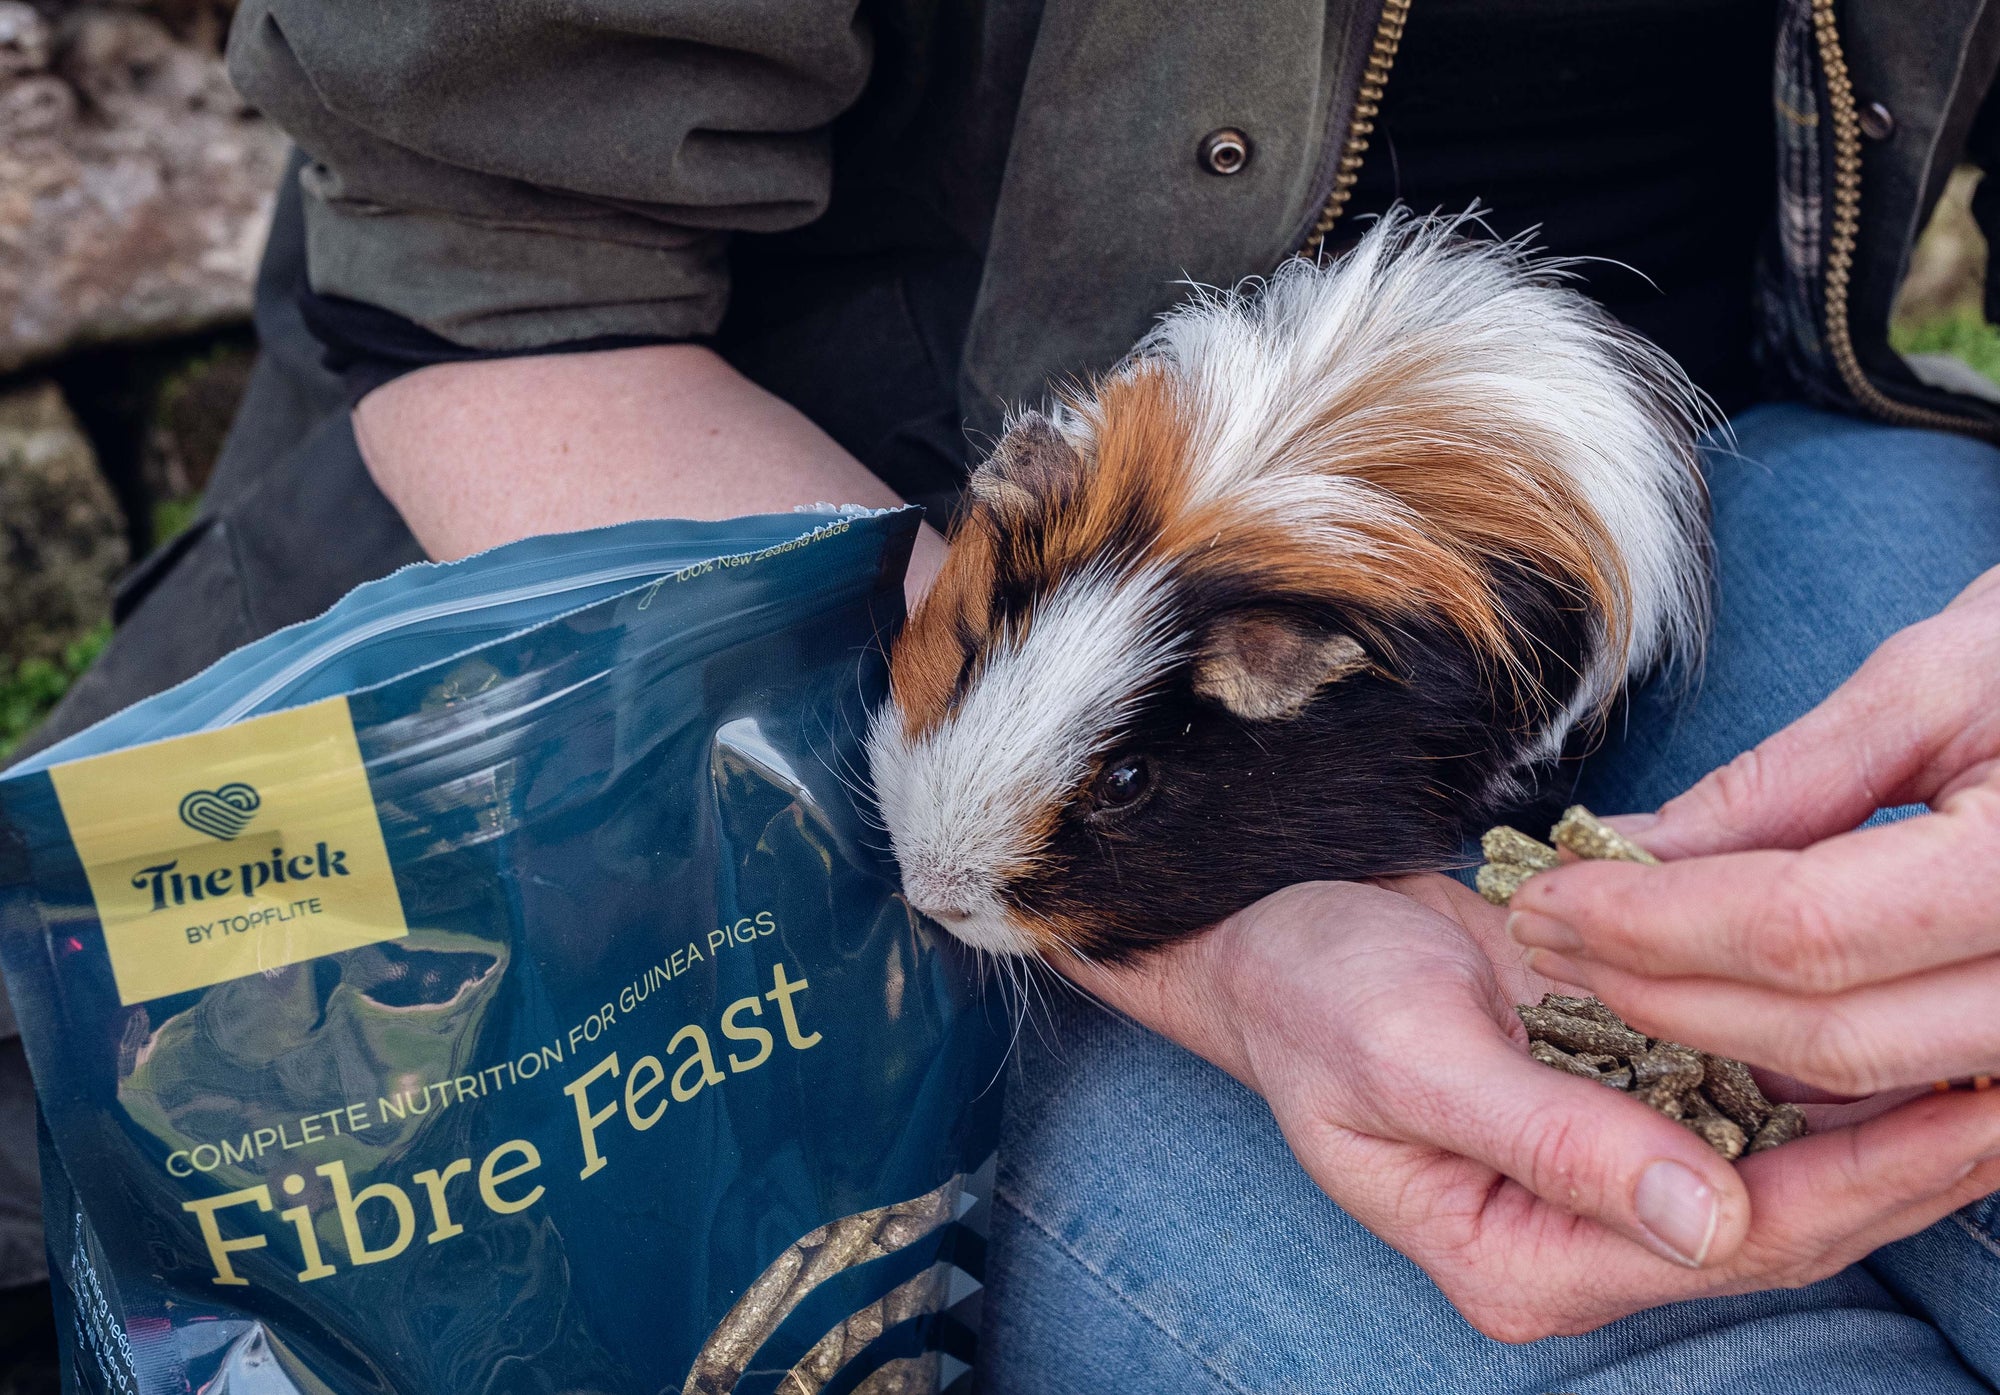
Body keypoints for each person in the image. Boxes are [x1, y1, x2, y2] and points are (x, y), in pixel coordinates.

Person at [12, 0, 2000, 1389]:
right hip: (760, 567)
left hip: (1736, 479)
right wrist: (1223, 954)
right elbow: (492, 278)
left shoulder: (1325, 658)